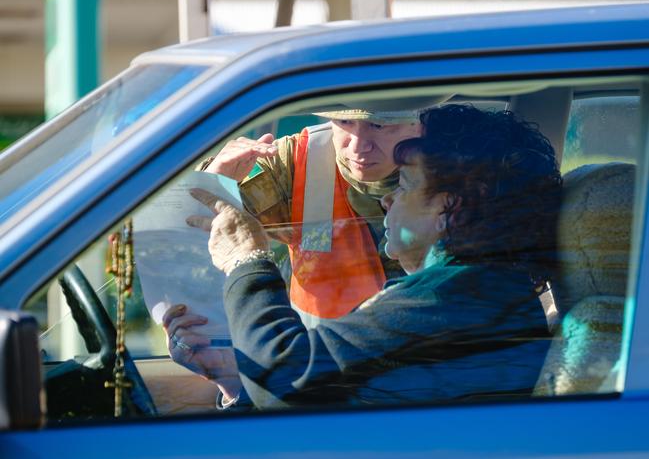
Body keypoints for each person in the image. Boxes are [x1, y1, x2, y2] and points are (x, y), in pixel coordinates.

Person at [166, 104, 561, 408]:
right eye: (344, 124)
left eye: (405, 185)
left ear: (449, 208)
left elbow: (286, 382)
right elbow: (317, 392)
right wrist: (234, 381)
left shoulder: (449, 298)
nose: (388, 198)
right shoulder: (479, 292)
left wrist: (246, 260)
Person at [197, 104, 431, 327]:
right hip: (323, 361)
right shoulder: (295, 160)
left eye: (378, 126)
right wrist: (211, 182)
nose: (358, 147)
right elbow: (187, 240)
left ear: (420, 123)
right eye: (344, 121)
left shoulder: (456, 164)